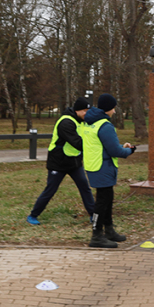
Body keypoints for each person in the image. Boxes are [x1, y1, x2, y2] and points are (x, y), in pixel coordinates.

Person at [26, 97, 95, 225]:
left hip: (74, 162)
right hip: (58, 163)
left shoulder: (82, 121)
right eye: (84, 111)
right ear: (77, 110)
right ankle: (33, 215)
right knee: (50, 190)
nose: (87, 113)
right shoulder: (66, 122)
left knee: (85, 187)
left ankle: (93, 215)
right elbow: (78, 143)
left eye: (88, 111)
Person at [82, 93, 135, 248]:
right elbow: (115, 151)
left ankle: (109, 230)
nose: (115, 111)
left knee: (107, 198)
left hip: (94, 165)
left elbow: (103, 146)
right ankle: (97, 235)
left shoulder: (90, 122)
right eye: (114, 108)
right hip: (103, 167)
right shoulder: (104, 125)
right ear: (109, 108)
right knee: (102, 202)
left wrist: (120, 147)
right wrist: (129, 151)